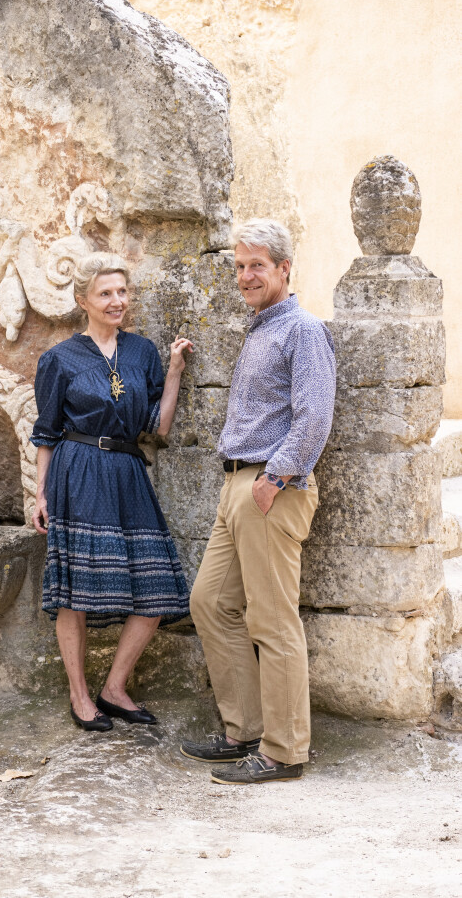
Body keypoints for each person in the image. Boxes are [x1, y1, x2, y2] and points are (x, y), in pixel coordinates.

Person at [181, 219, 336, 784]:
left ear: (284, 270)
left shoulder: (303, 330)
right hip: (237, 488)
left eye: (257, 266)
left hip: (272, 487)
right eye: (240, 266)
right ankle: (243, 730)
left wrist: (273, 480)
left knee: (272, 622)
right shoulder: (258, 328)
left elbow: (314, 416)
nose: (246, 276)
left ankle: (285, 751)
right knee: (210, 603)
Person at [31, 252, 191, 732]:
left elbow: (157, 428)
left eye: (122, 291)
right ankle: (80, 697)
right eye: (105, 293)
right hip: (77, 471)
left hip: (126, 470)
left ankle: (114, 688)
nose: (117, 300)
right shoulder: (59, 359)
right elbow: (45, 433)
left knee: (157, 587)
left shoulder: (142, 351)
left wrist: (176, 370)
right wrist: (39, 496)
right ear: (83, 300)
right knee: (75, 595)